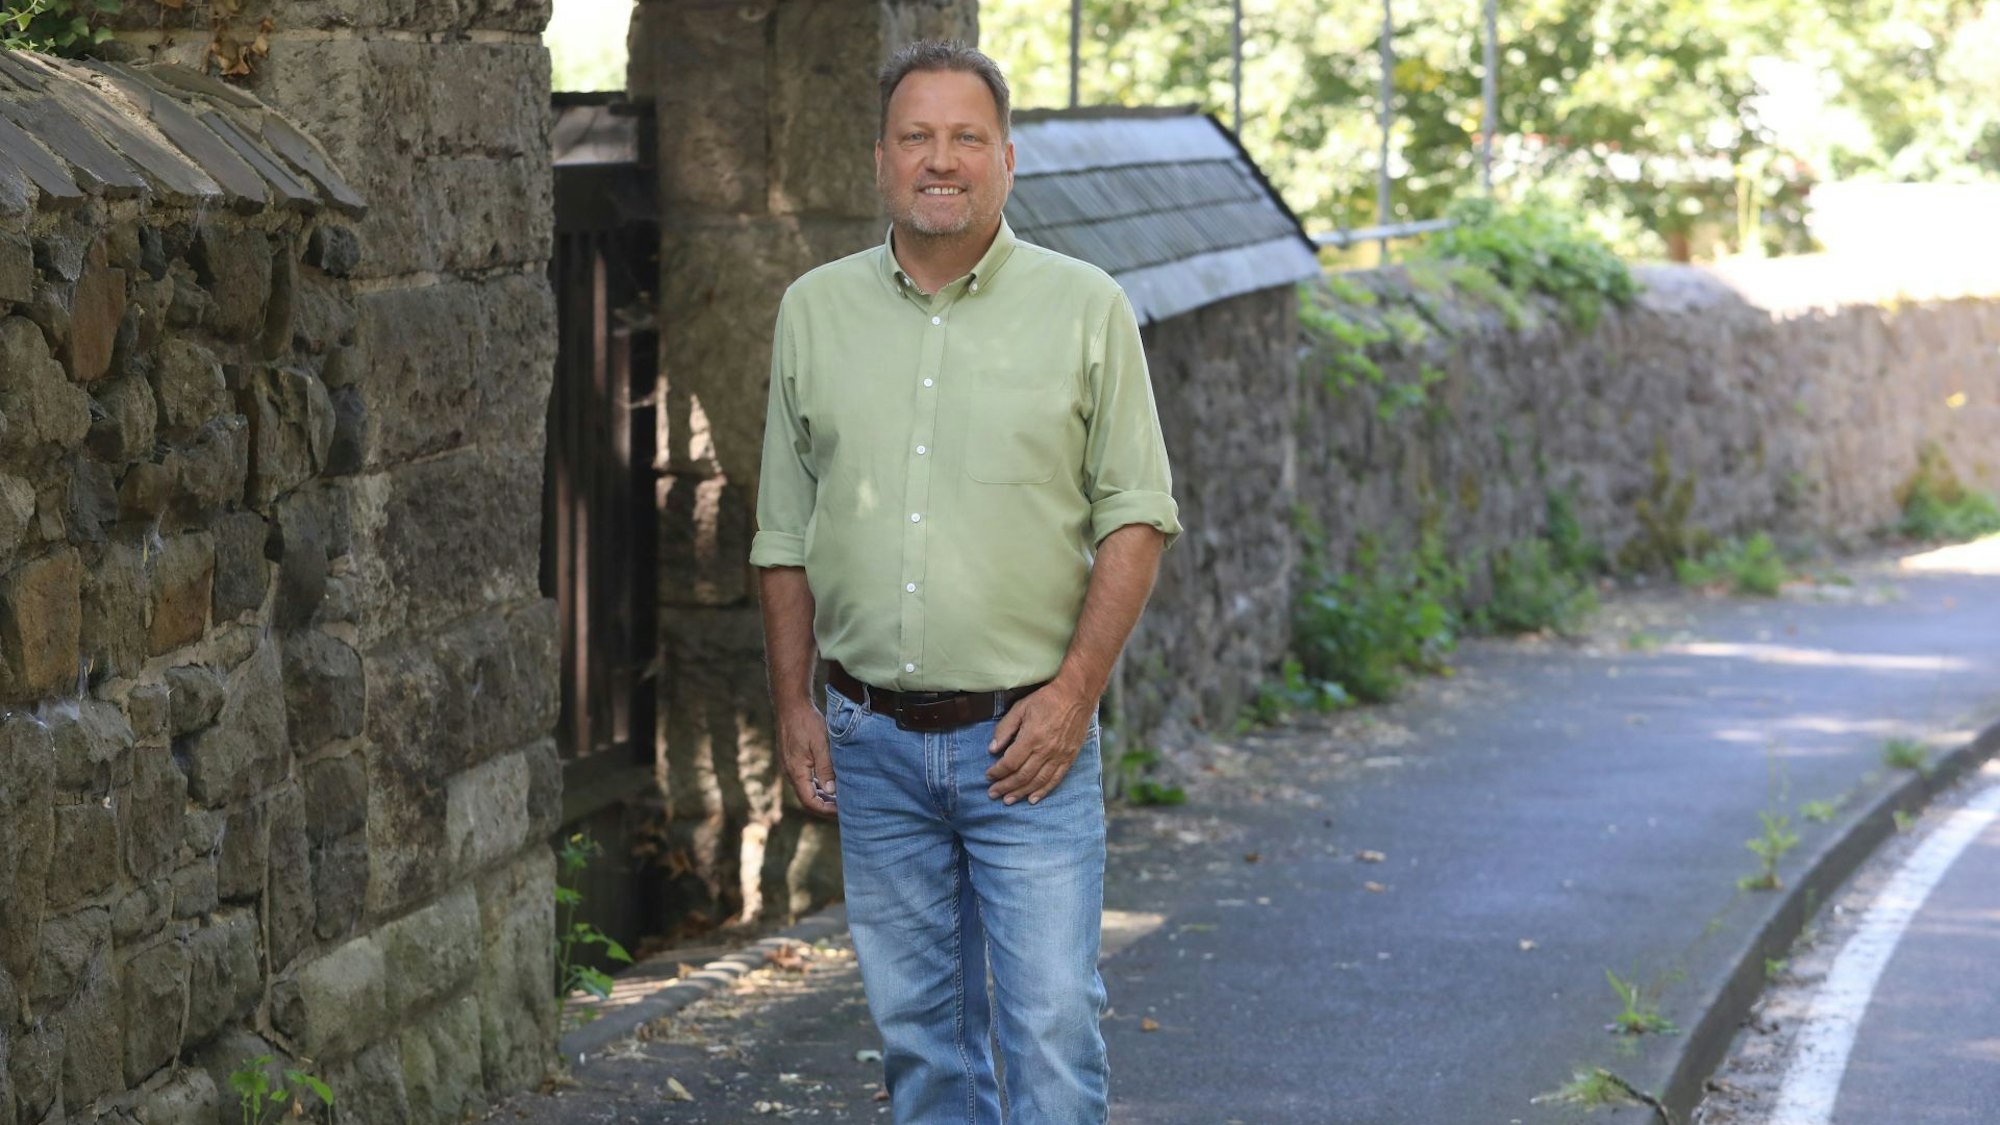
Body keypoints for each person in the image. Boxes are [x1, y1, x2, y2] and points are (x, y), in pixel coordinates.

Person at [748, 39, 1182, 1123]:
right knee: (921, 1049)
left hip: (1022, 748)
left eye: (964, 138)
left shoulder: (1085, 309)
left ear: (1006, 158)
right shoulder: (812, 310)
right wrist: (792, 702)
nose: (939, 160)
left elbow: (1138, 516)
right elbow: (783, 528)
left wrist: (1073, 696)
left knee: (1047, 1034)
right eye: (915, 137)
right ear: (882, 159)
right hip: (869, 745)